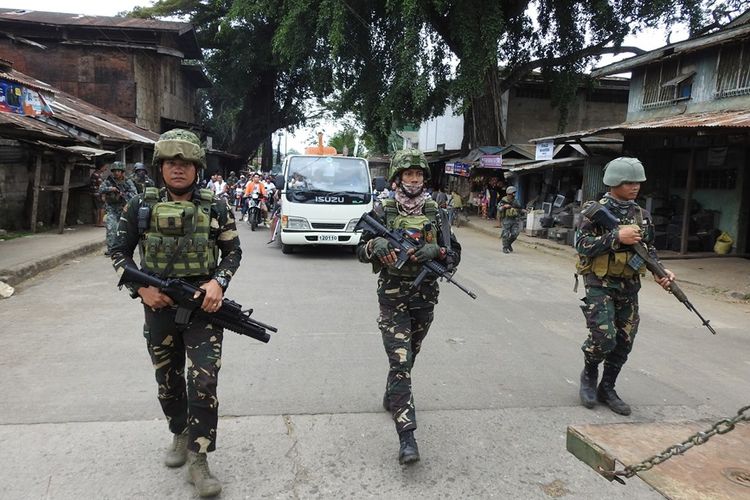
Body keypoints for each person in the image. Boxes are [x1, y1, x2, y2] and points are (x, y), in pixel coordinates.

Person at [110, 129, 241, 498]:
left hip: (203, 307)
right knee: (167, 382)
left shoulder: (215, 206)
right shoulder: (140, 206)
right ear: (161, 167)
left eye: (185, 163)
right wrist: (142, 289)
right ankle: (179, 433)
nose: (178, 169)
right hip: (160, 308)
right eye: (171, 163)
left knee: (203, 381)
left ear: (196, 168)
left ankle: (199, 459)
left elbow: (233, 253)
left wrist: (218, 283)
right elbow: (118, 252)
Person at [356, 148, 462, 465]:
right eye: (408, 174)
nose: (413, 180)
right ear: (398, 178)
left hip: (424, 297)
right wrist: (376, 244)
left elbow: (454, 256)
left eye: (418, 175)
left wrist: (438, 252)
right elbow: (360, 251)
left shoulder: (437, 212)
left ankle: (393, 392)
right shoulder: (383, 210)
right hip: (391, 296)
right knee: (401, 360)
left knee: (410, 353)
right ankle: (407, 437)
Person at [576, 157, 675, 416]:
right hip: (600, 284)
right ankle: (589, 374)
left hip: (629, 286)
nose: (635, 187)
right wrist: (615, 236)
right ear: (614, 183)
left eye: (638, 182)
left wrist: (661, 272)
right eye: (629, 182)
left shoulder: (642, 215)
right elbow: (581, 244)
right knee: (603, 337)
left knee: (624, 341)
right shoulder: (594, 211)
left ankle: (607, 387)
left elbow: (648, 249)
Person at [99, 161, 137, 254]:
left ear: (122, 172)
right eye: (115, 171)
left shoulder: (128, 181)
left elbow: (134, 194)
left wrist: (124, 194)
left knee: (124, 229)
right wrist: (110, 189)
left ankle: (123, 248)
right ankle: (112, 250)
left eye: (118, 171)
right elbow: (100, 189)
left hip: (123, 208)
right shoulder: (108, 181)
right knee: (111, 228)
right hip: (111, 208)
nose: (116, 173)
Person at [498, 186, 523, 254]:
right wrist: (504, 206)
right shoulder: (503, 200)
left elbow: (520, 208)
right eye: (513, 193)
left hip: (514, 219)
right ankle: (505, 247)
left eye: (514, 193)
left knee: (515, 233)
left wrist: (524, 211)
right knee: (505, 234)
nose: (514, 194)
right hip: (506, 219)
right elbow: (499, 208)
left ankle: (508, 244)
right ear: (509, 193)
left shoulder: (515, 200)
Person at [90, 162, 107, 227]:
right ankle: (100, 222)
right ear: (101, 167)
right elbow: (101, 186)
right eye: (104, 167)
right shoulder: (98, 175)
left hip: (94, 193)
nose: (105, 168)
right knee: (101, 208)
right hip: (98, 194)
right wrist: (103, 196)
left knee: (96, 208)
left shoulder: (94, 174)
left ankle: (97, 222)